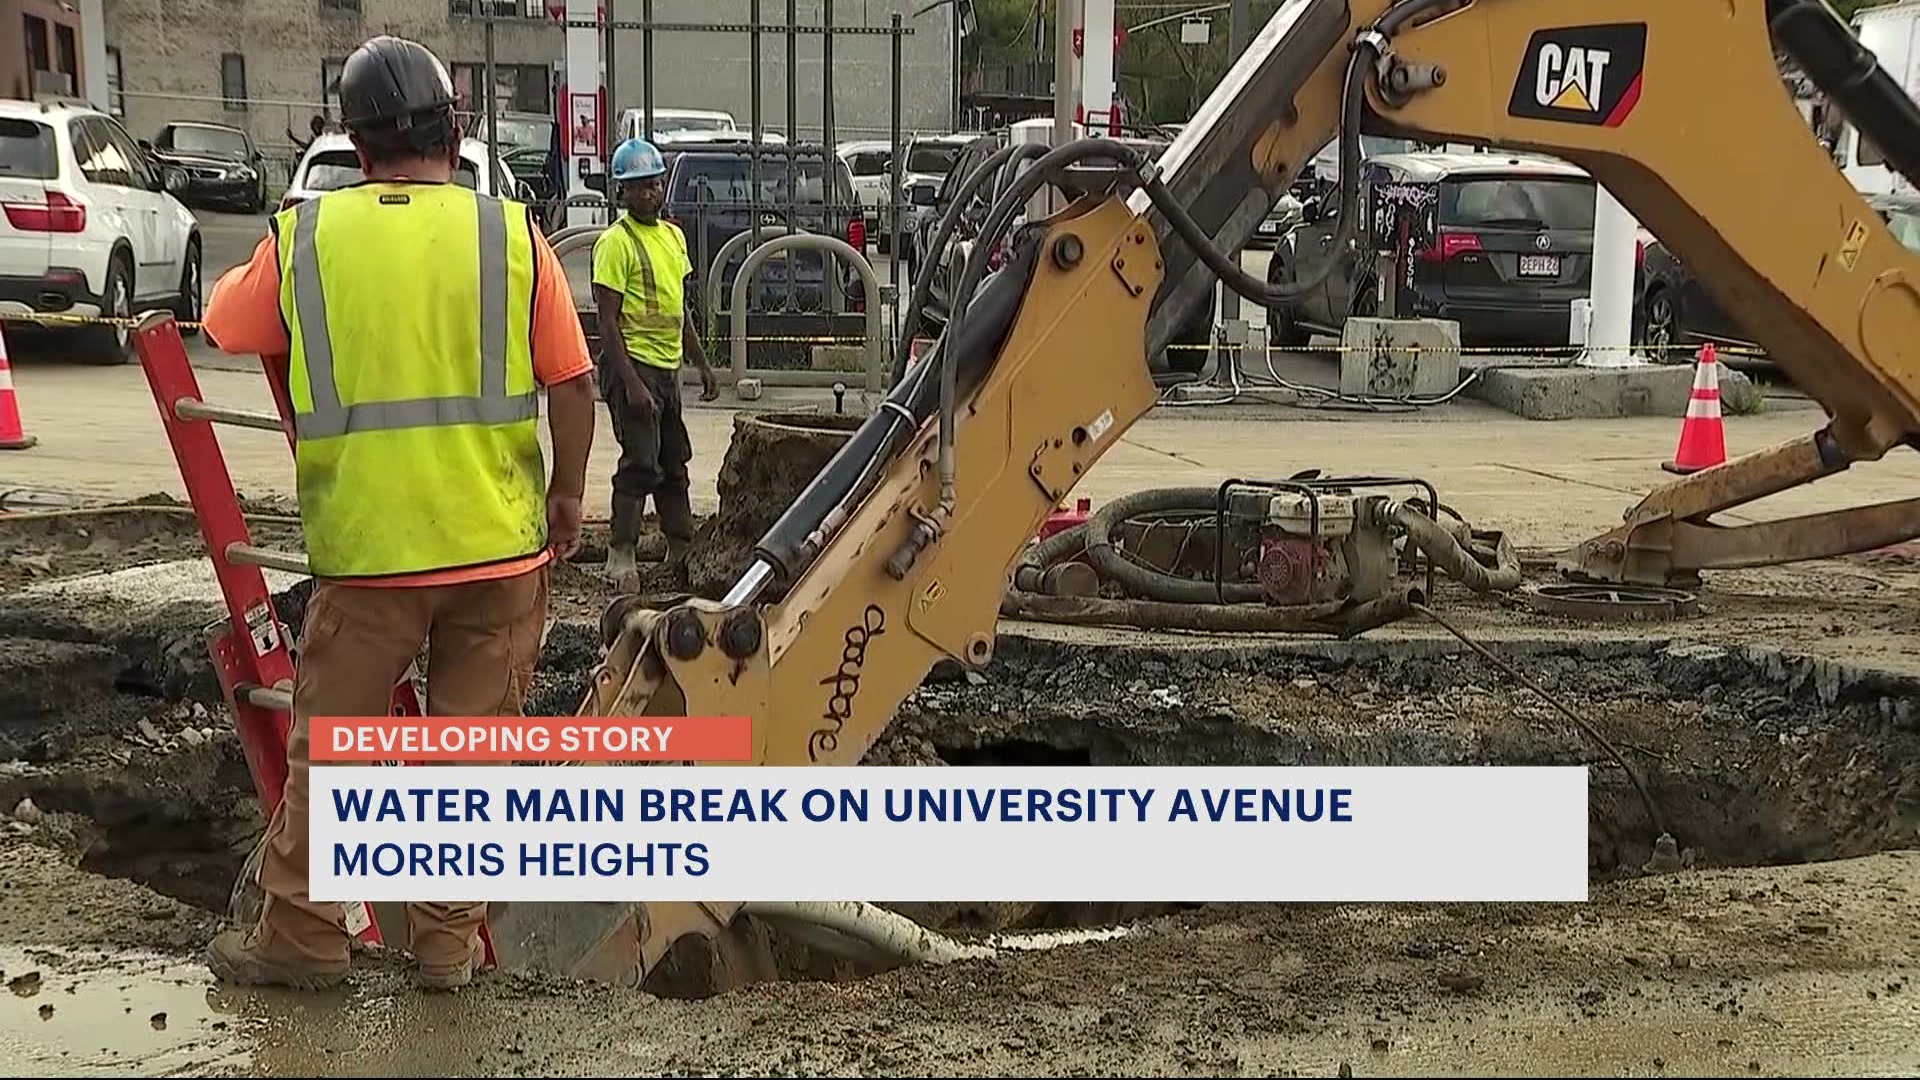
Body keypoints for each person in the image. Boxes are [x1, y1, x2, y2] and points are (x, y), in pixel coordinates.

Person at [197, 34, 597, 991]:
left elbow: (223, 321)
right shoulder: (508, 235)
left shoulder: (310, 237)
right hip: (499, 551)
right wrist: (568, 495)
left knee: (332, 751)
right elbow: (574, 382)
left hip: (370, 556)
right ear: (453, 134)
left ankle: (302, 943)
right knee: (472, 760)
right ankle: (444, 953)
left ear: (355, 141)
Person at [592, 137, 718, 589]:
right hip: (633, 364)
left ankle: (679, 544)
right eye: (640, 186)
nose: (650, 193)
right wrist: (631, 384)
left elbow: (678, 308)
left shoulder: (672, 236)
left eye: (655, 184)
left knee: (673, 459)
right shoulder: (614, 243)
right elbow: (607, 321)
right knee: (640, 461)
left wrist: (700, 362)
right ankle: (620, 552)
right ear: (621, 192)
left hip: (665, 368)